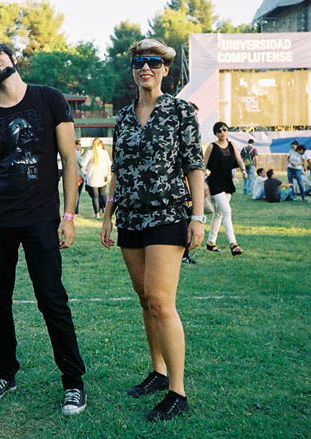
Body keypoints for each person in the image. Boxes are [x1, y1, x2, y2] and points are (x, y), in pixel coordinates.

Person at [0, 41, 87, 416]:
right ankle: (5, 373)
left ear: (12, 58)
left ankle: (73, 382)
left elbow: (69, 160)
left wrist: (69, 216)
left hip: (41, 219)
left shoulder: (49, 99)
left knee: (52, 300)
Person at [100, 38, 205, 422]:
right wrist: (108, 213)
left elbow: (194, 165)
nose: (145, 67)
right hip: (130, 218)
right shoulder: (124, 118)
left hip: (167, 215)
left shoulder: (180, 111)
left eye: (153, 62)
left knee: (161, 301)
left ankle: (178, 392)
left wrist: (197, 216)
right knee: (145, 299)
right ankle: (158, 372)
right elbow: (118, 169)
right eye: (139, 62)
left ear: (165, 70)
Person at [204, 121, 247, 255]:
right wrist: (203, 182)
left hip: (228, 182)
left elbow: (239, 160)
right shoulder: (211, 146)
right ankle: (233, 244)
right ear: (215, 133)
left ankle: (211, 242)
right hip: (215, 182)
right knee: (227, 211)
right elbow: (203, 165)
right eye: (219, 131)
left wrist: (243, 170)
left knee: (219, 213)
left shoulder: (232, 145)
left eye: (224, 130)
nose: (222, 133)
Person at [81, 138, 111, 218]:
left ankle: (97, 214)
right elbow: (109, 165)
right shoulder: (104, 152)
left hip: (92, 177)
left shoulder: (89, 152)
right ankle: (106, 211)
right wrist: (108, 174)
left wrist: (85, 172)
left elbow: (82, 164)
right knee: (103, 194)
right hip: (103, 176)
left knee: (95, 196)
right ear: (100, 144)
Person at [74, 139, 84, 215]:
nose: (80, 146)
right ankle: (75, 211)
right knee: (77, 194)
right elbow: (82, 164)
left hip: (72, 175)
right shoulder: (76, 153)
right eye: (79, 144)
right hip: (78, 175)